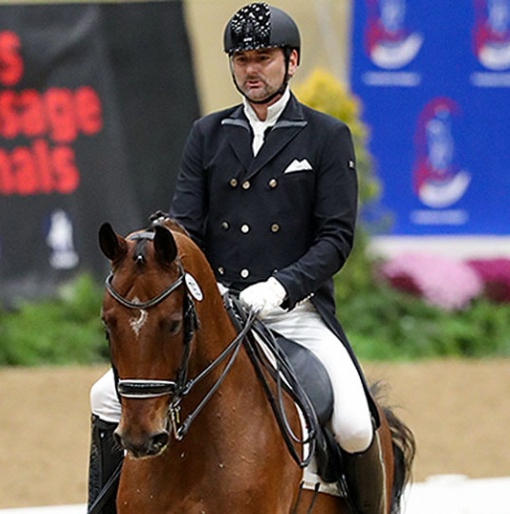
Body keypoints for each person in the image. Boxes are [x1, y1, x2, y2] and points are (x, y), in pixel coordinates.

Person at [87, 4, 383, 514]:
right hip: (217, 311)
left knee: (356, 423)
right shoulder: (208, 134)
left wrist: (281, 288)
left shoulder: (326, 137)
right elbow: (185, 227)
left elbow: (335, 239)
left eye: (263, 58)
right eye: (241, 59)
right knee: (103, 398)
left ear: (291, 61)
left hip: (297, 312)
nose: (251, 69)